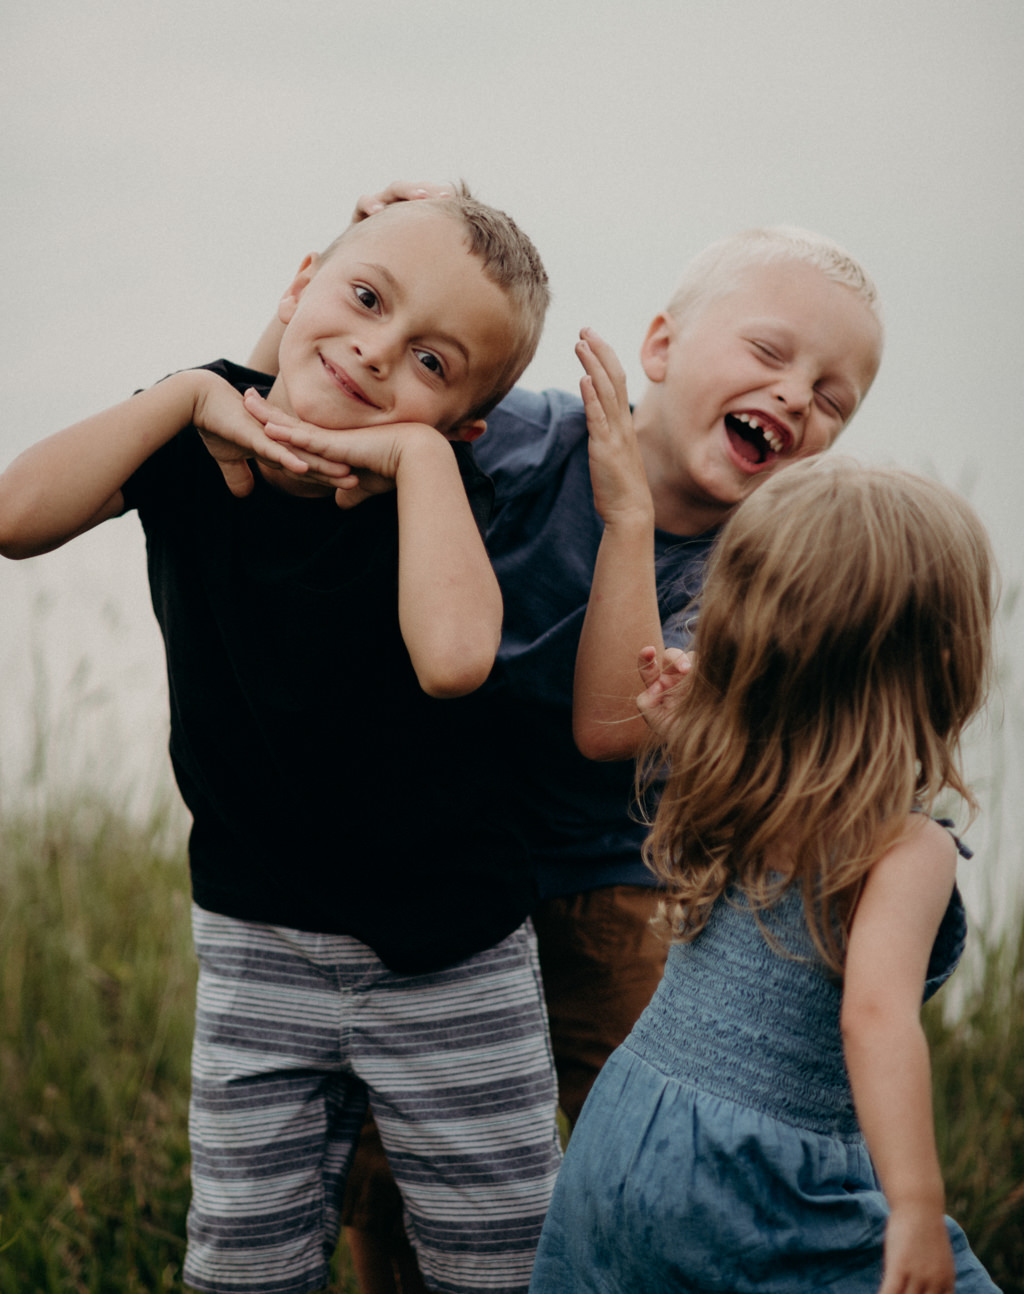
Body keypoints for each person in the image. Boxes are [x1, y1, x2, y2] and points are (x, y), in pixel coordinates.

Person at [246, 185, 885, 1293]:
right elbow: (307, 440)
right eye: (772, 354)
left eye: (832, 396)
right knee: (395, 1153)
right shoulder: (523, 441)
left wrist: (628, 517)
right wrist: (347, 261)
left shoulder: (752, 577)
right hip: (440, 869)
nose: (794, 394)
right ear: (660, 345)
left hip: (612, 884)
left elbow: (610, 728)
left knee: (636, 1138)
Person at [0, 188, 563, 1294]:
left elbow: (453, 657)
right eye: (362, 296)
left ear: (463, 425)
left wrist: (420, 459)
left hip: (450, 955)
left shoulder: (445, 490)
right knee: (244, 1261)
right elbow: (16, 517)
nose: (373, 348)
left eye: (431, 363)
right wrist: (189, 392)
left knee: (497, 1262)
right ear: (302, 279)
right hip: (258, 935)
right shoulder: (193, 433)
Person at [529, 384, 1000, 1292]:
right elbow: (873, 1018)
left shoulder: (731, 775)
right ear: (946, 662)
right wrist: (913, 1205)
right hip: (756, 1181)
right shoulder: (906, 849)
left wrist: (701, 708)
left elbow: (707, 723)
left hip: (621, 1138)